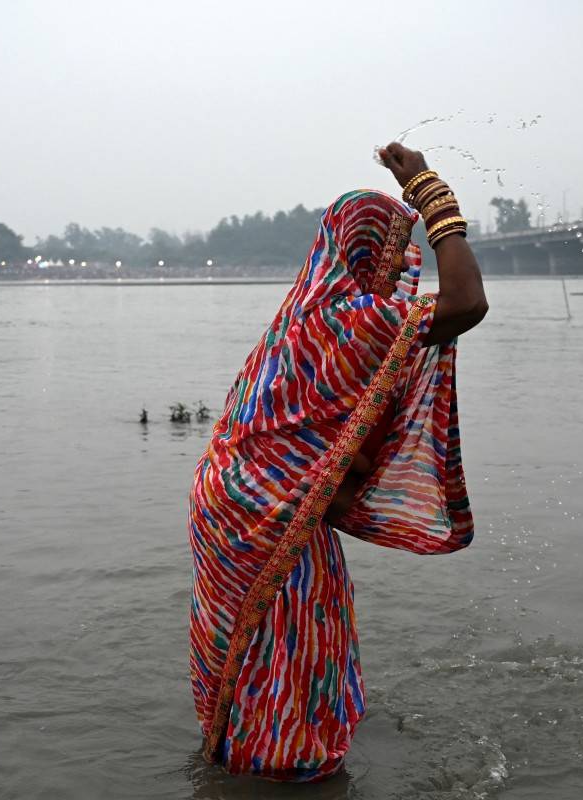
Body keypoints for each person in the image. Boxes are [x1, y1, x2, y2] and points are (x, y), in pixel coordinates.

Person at [187, 143, 488, 780]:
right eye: (389, 255)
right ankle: (287, 766)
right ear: (362, 255)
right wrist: (434, 196)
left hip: (227, 496)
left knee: (254, 641)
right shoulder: (350, 321)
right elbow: (466, 303)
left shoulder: (304, 312)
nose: (397, 271)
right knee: (292, 637)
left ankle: (237, 755)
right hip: (270, 507)